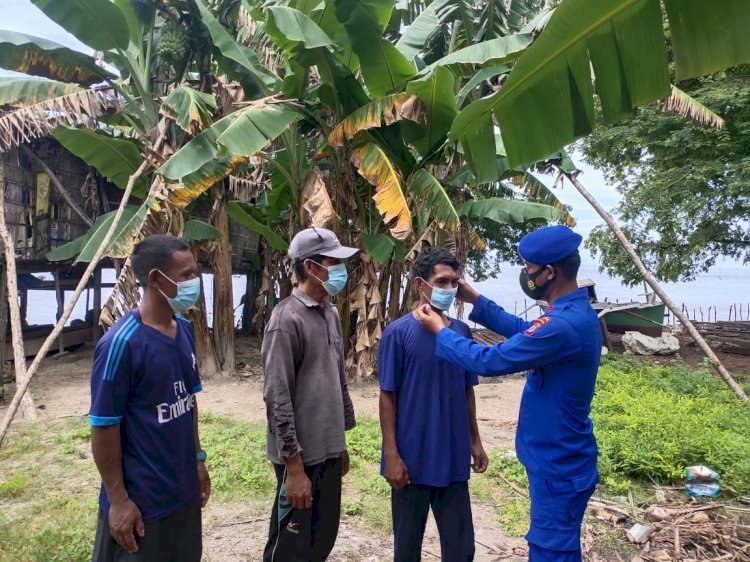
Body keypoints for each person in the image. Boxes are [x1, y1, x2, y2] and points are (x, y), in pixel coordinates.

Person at [414, 225, 602, 562]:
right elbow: (524, 331)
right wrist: (476, 300)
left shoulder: (563, 324)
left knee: (551, 550)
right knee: (557, 544)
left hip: (558, 461)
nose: (525, 276)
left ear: (549, 273)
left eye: (529, 270)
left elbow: (490, 360)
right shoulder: (570, 315)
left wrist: (441, 332)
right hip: (560, 456)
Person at [89, 234, 210, 562]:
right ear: (157, 279)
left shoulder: (184, 330)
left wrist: (198, 459)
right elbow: (103, 427)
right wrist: (118, 501)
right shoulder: (121, 344)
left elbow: (188, 401)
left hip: (183, 496)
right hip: (143, 507)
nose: (194, 282)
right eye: (186, 275)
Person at [379, 247, 488, 562]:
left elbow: (467, 391)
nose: (448, 289)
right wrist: (391, 456)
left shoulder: (461, 333)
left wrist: (475, 442)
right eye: (441, 282)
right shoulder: (398, 334)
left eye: (454, 282)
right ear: (419, 285)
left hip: (453, 460)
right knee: (407, 550)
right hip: (410, 462)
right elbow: (388, 395)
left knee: (461, 550)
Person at [262, 227, 358, 562]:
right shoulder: (286, 319)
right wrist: (295, 467)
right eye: (334, 262)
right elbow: (277, 397)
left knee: (322, 538)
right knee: (290, 546)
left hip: (328, 451)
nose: (341, 271)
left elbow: (336, 378)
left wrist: (340, 443)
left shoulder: (329, 312)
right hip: (300, 458)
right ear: (310, 267)